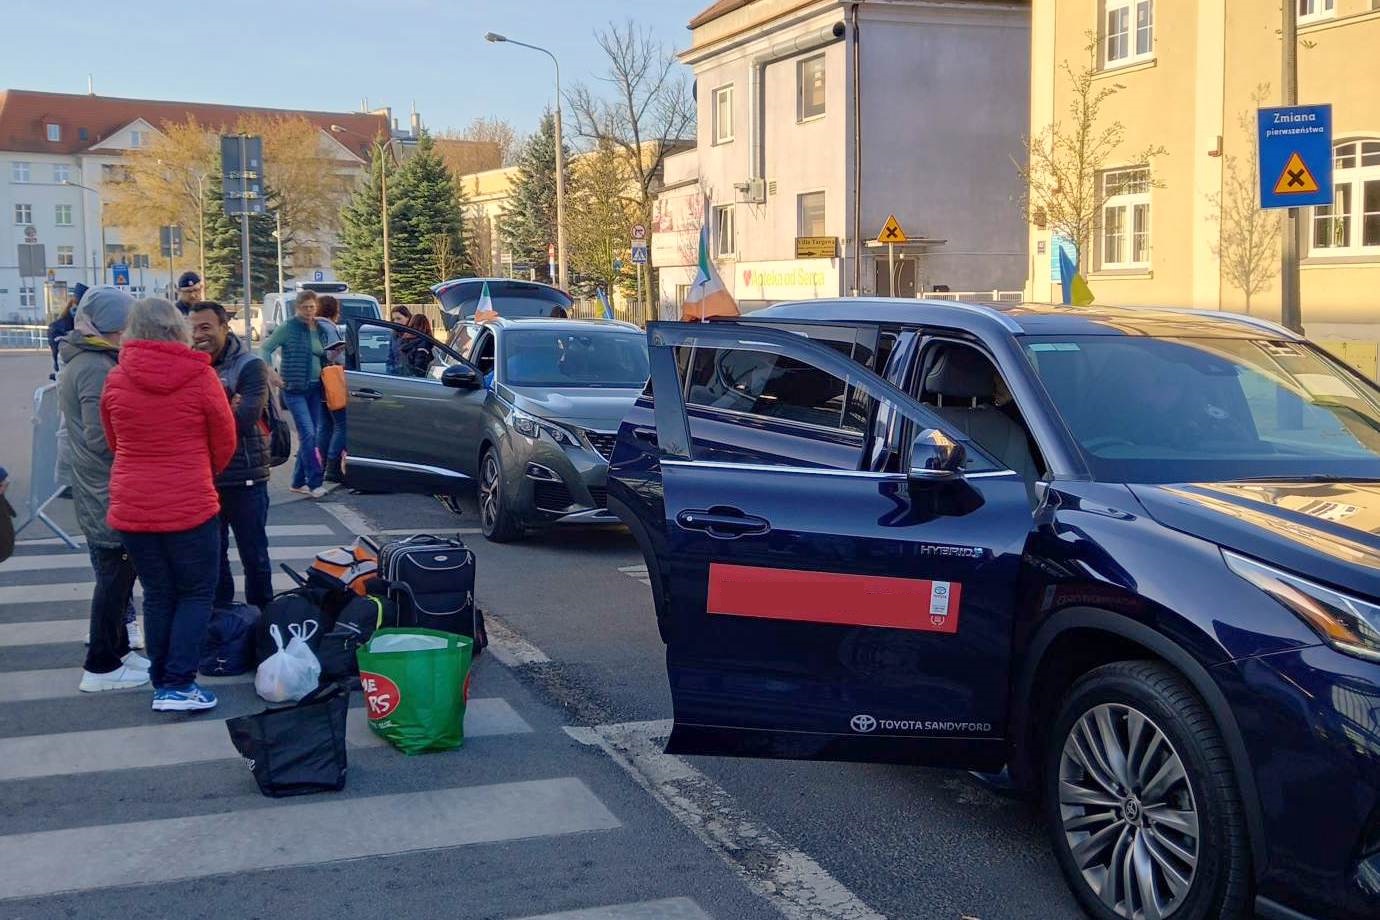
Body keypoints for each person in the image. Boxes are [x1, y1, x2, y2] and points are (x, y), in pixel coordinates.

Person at [102, 297, 235, 712]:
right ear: (177, 328)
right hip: (190, 502)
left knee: (158, 594)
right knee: (196, 593)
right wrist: (198, 470)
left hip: (133, 503)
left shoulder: (117, 378)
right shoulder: (200, 375)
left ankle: (163, 681)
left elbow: (113, 440)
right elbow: (224, 438)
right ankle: (178, 684)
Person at [56, 286, 149, 692]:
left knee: (120, 577)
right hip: (105, 488)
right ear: (114, 327)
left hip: (101, 484)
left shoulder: (92, 359)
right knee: (114, 578)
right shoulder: (96, 366)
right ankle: (100, 665)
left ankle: (117, 651)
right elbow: (101, 437)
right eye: (128, 325)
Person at [189, 301, 274, 612]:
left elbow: (243, 420)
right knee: (214, 556)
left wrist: (204, 412)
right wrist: (226, 399)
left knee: (255, 556)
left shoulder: (250, 365)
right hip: (205, 478)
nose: (198, 335)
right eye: (194, 328)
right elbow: (183, 420)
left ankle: (263, 622)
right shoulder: (188, 364)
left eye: (206, 327)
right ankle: (224, 624)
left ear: (225, 328)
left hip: (245, 474)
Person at [260, 290, 328, 497]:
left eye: (312, 307)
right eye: (305, 307)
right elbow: (265, 348)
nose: (309, 311)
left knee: (312, 435)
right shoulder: (289, 327)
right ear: (298, 308)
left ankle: (298, 481)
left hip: (317, 388)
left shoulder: (320, 327)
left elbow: (324, 352)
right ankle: (314, 482)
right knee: (308, 433)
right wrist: (271, 372)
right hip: (294, 388)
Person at [314, 295, 348, 482]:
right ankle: (333, 467)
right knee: (342, 425)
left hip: (316, 382)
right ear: (334, 310)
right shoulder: (328, 328)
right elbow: (334, 355)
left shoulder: (310, 327)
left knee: (325, 425)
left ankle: (322, 464)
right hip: (331, 381)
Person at [47, 282, 86, 378]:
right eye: (77, 304)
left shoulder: (90, 325)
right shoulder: (57, 328)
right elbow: (60, 356)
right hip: (67, 376)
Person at [400, 313, 435, 377]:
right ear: (427, 326)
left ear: (411, 325)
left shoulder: (404, 341)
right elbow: (420, 368)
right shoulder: (425, 343)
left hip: (403, 378)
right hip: (420, 381)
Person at [387, 305, 413, 375]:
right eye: (393, 319)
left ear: (408, 318)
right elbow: (390, 358)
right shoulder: (394, 335)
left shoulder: (417, 334)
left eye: (399, 318)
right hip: (397, 377)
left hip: (414, 378)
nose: (396, 322)